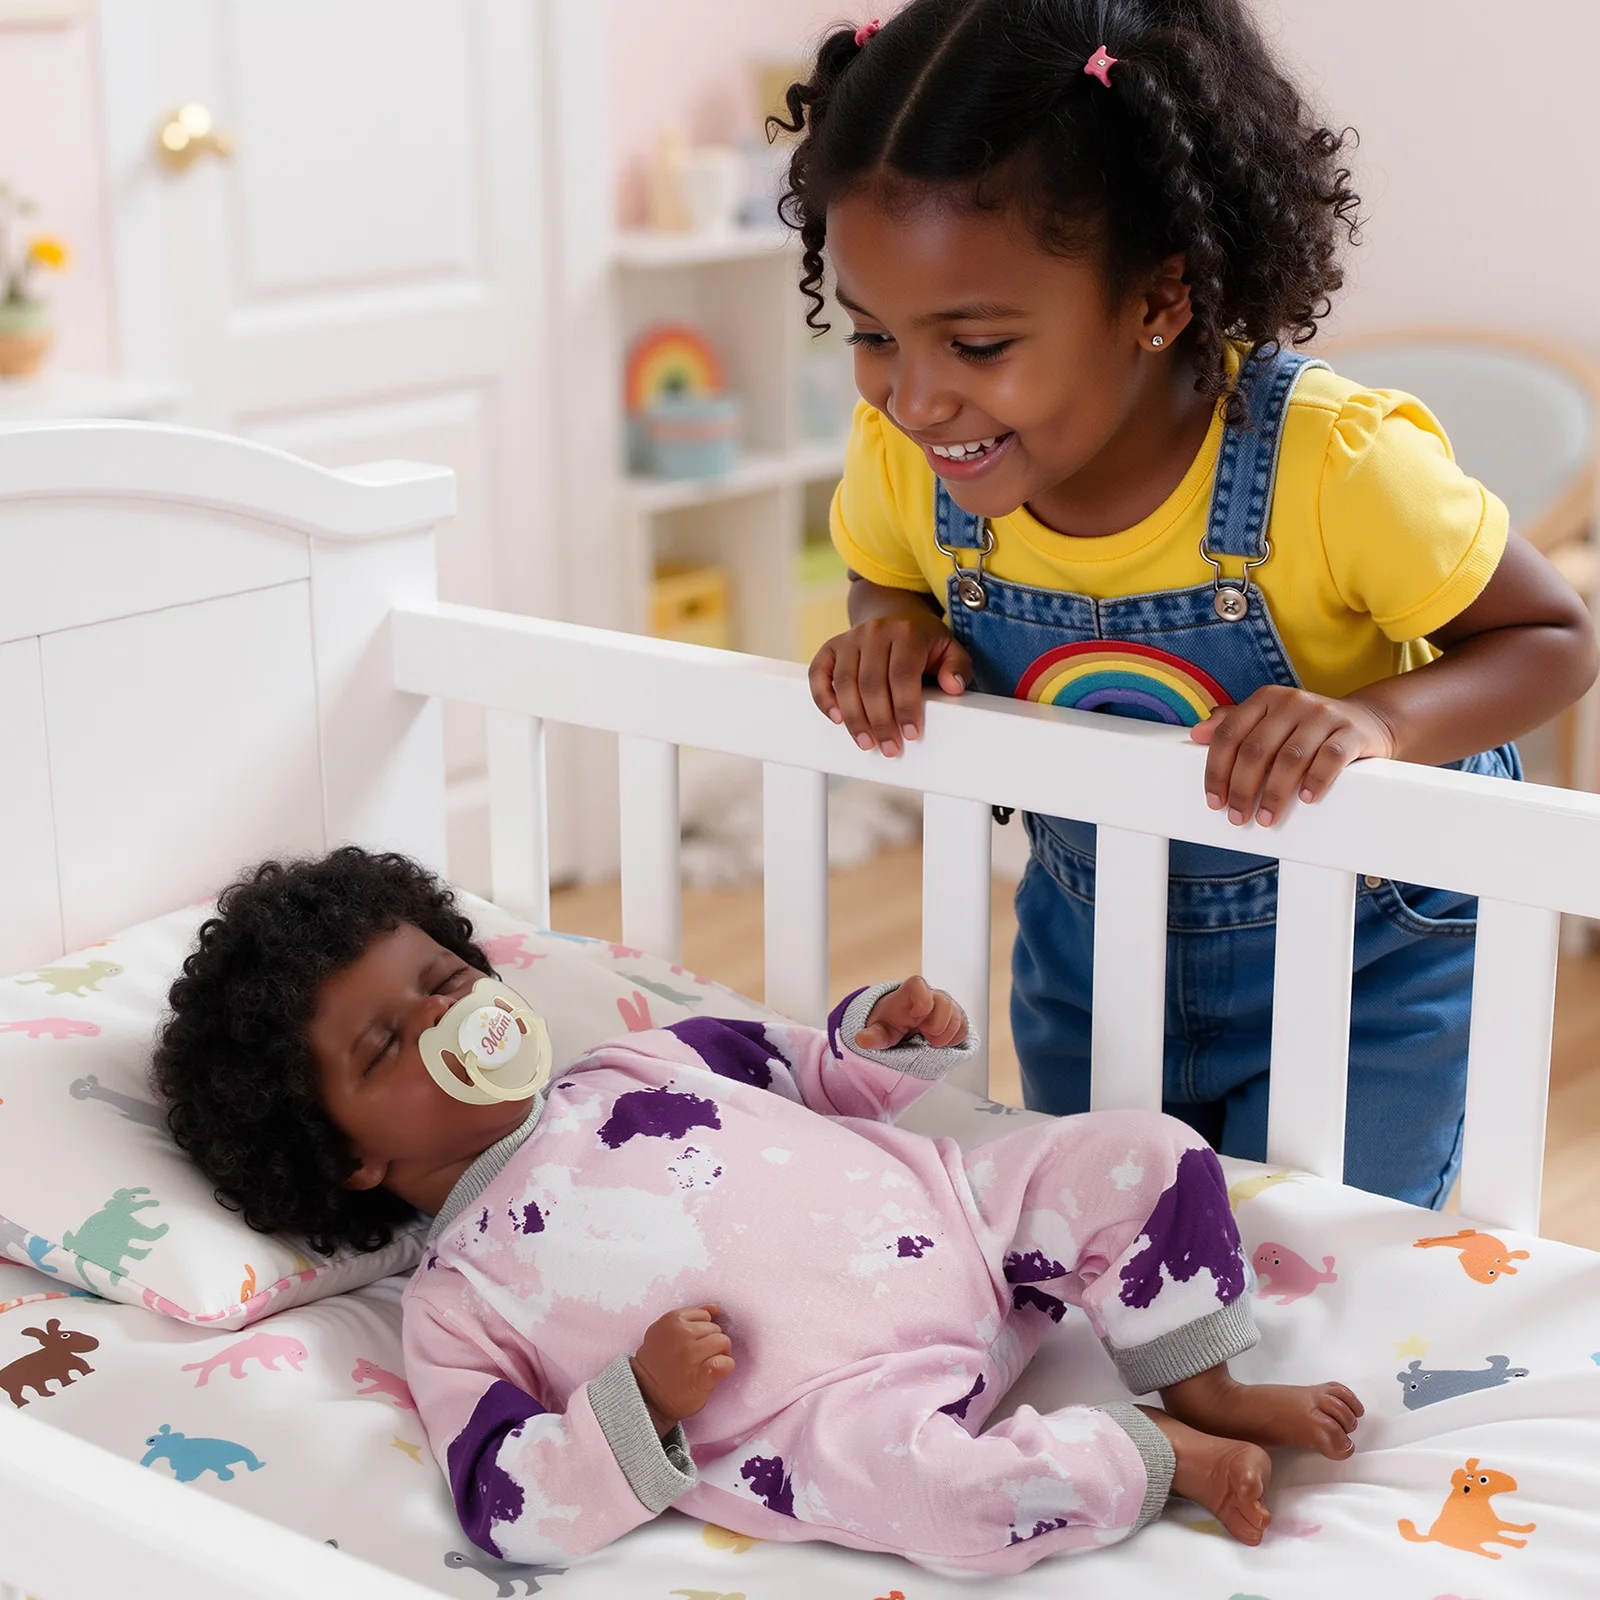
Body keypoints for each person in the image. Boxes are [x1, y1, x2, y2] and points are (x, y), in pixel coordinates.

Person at [786, 0, 1599, 1208]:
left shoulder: (1332, 464)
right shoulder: (911, 464)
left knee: (1328, 1272)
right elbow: (886, 568)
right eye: (869, 335)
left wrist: (1377, 720)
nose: (913, 399)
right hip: (1088, 943)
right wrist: (887, 623)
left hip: (1370, 962)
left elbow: (1552, 636)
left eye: (976, 342)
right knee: (1112, 1259)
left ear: (1158, 297)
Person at [153, 847, 1364, 1574]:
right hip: (834, 1409)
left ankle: (1198, 1375)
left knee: (1147, 1152)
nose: (443, 1023)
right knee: (953, 1504)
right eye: (386, 1044)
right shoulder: (459, 1298)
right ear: (345, 1159)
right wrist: (637, 1405)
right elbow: (506, 1496)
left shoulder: (637, 1061)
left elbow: (799, 1070)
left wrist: (873, 1035)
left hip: (962, 1228)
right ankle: (1154, 1455)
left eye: (444, 982)